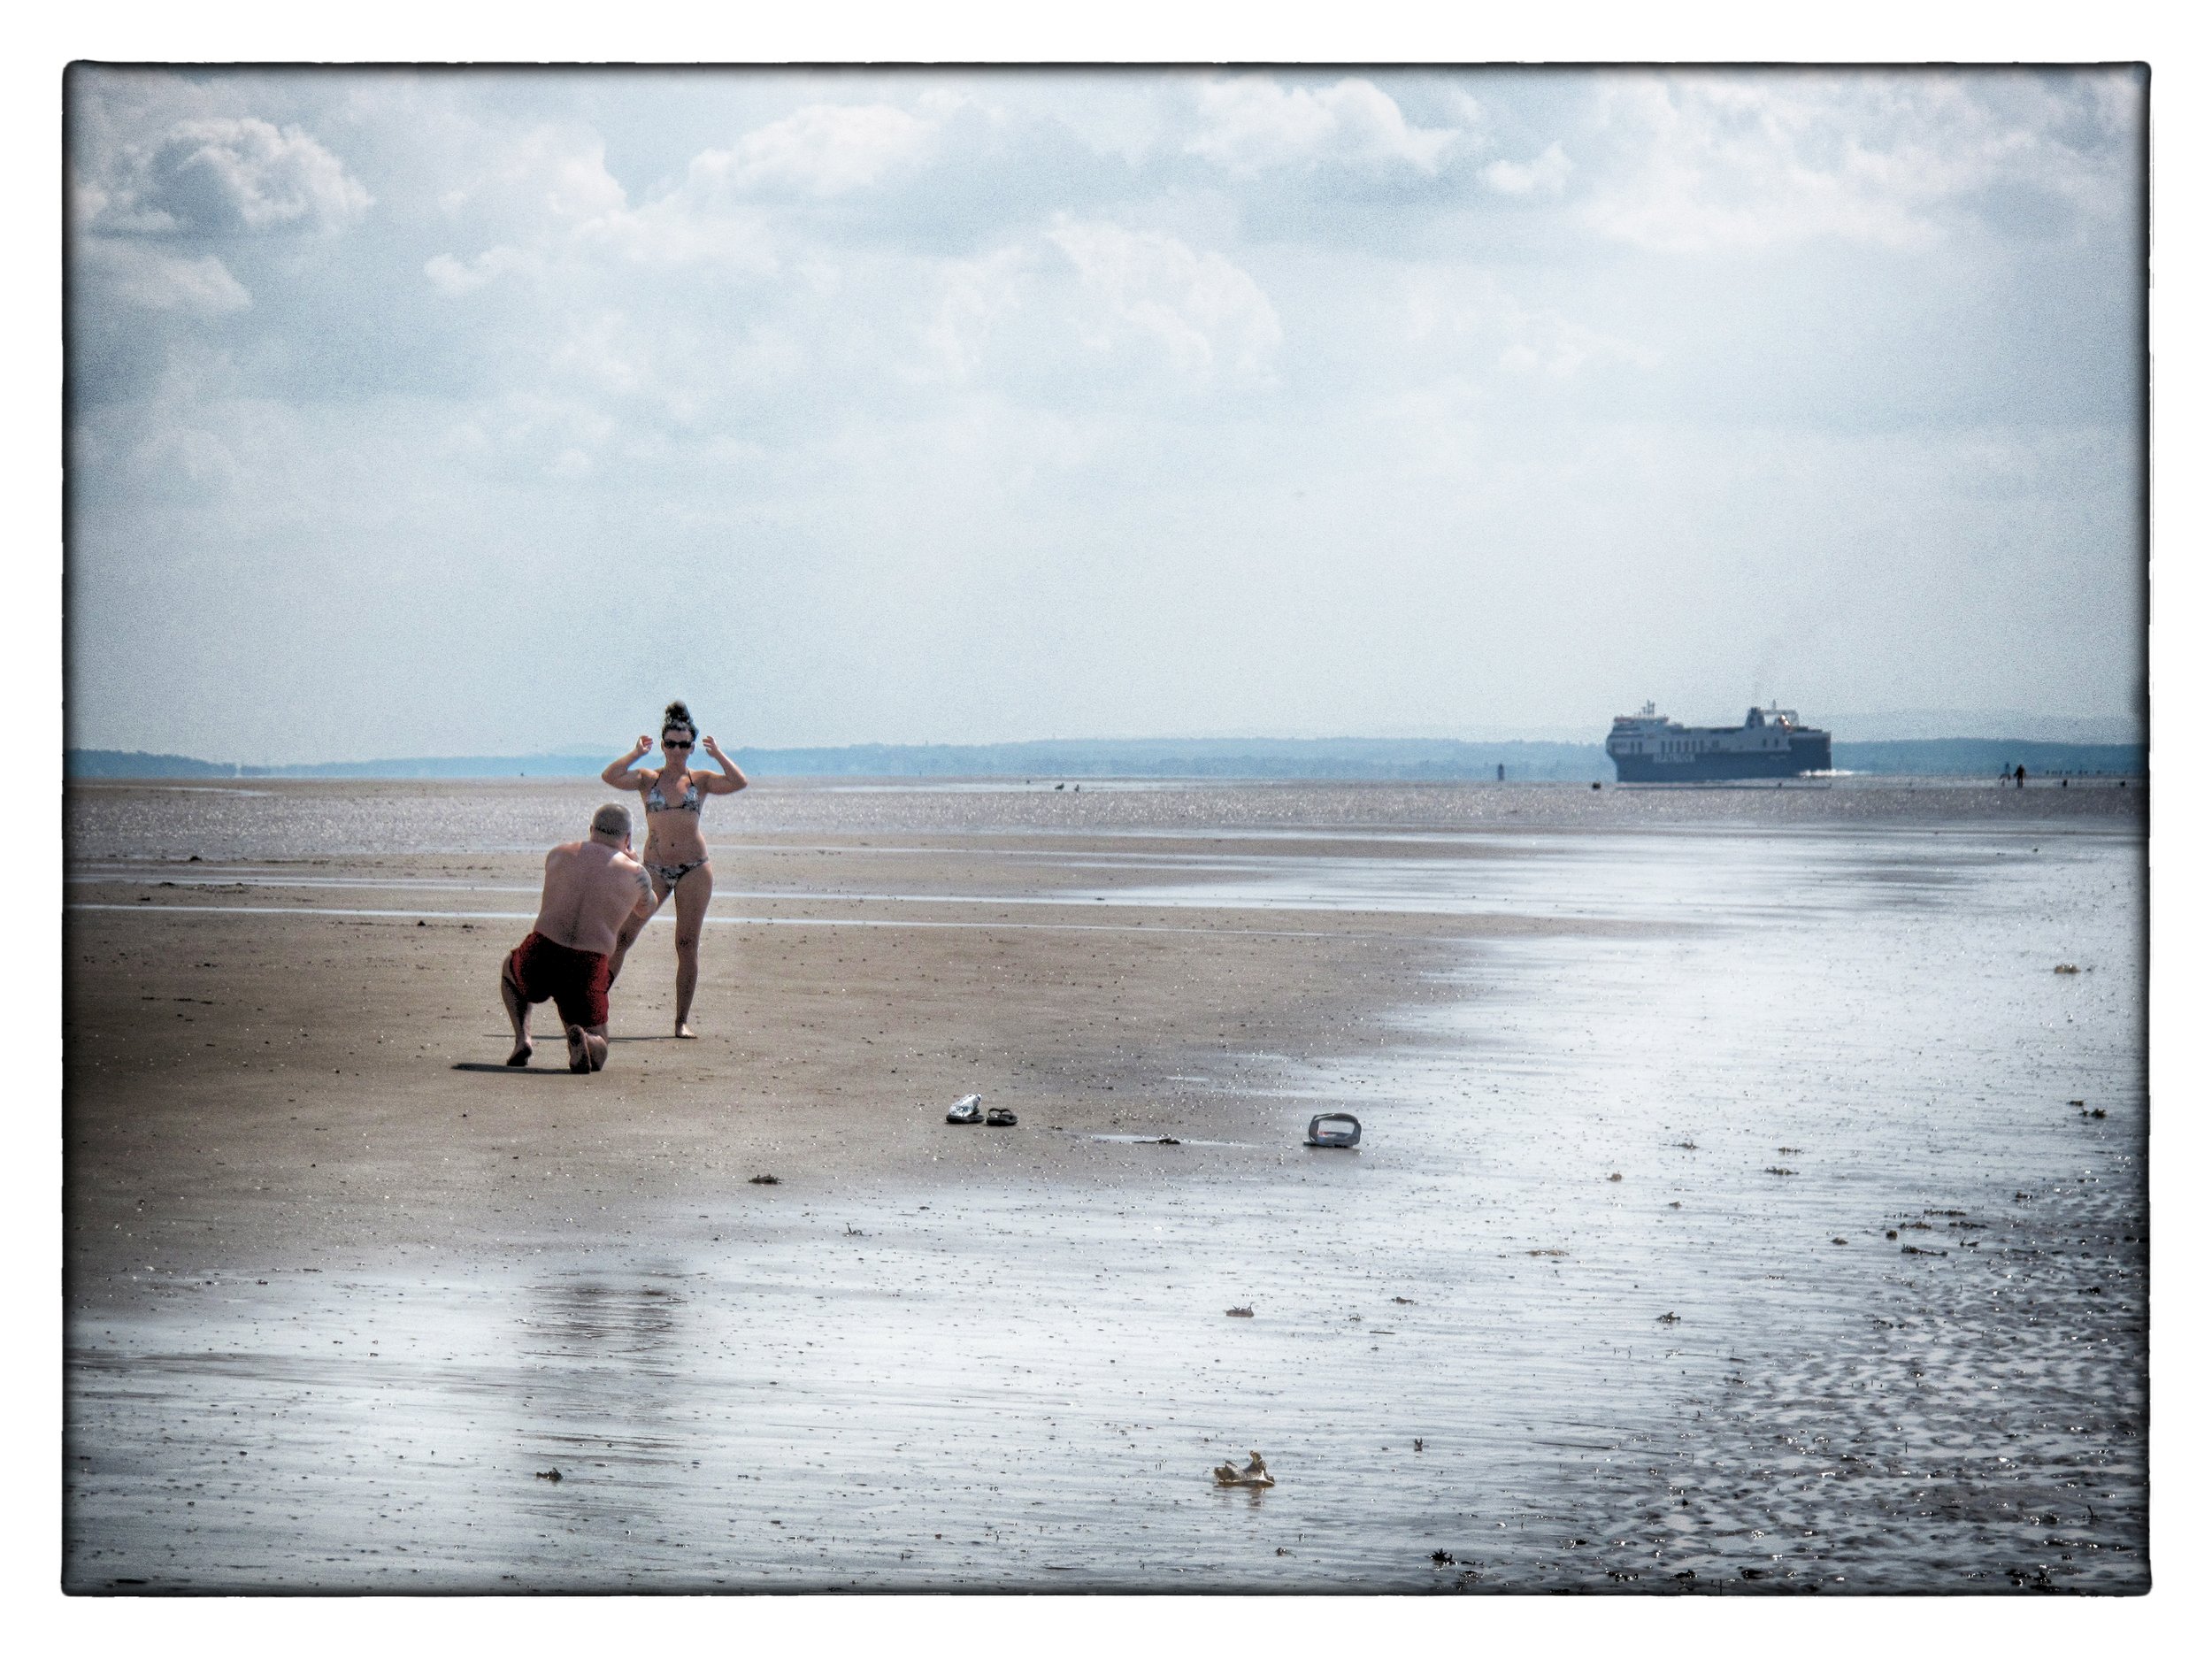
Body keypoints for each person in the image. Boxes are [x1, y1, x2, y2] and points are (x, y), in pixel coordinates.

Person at [601, 699, 749, 1037]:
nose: (677, 750)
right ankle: (592, 1006)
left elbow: (739, 781)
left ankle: (681, 1021)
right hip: (655, 868)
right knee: (623, 936)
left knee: (686, 944)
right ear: (663, 745)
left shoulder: (701, 780)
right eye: (671, 744)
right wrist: (636, 753)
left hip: (694, 869)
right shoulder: (648, 779)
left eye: (684, 744)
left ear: (692, 747)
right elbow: (610, 776)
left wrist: (719, 755)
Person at [502, 803, 655, 1072]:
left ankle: (522, 1039)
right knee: (599, 1048)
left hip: (543, 949)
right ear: (628, 838)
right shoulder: (635, 874)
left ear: (591, 829)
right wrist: (634, 862)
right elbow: (646, 908)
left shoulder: (558, 853)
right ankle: (586, 1038)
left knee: (509, 972)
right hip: (587, 963)